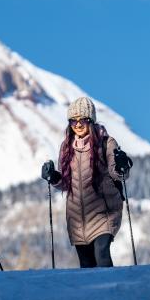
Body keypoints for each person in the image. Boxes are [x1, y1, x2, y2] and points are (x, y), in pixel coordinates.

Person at [41, 96, 130, 268]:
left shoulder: (107, 143)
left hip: (104, 212)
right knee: (87, 264)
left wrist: (121, 167)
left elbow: (117, 173)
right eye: (73, 121)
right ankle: (93, 295)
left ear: (92, 120)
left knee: (102, 254)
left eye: (83, 119)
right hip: (77, 219)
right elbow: (66, 183)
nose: (78, 124)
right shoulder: (66, 147)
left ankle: (111, 291)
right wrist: (53, 177)